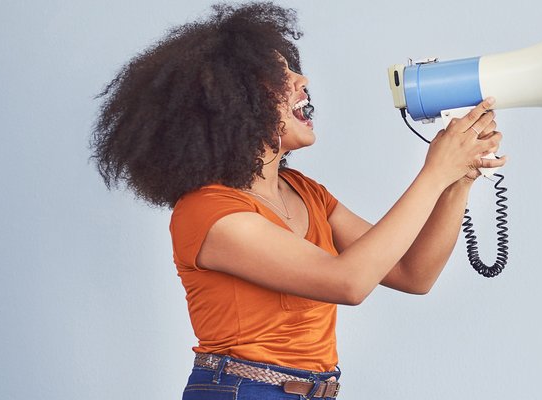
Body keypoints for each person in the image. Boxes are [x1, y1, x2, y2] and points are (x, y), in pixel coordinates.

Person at [90, 3, 506, 399]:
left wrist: (458, 179)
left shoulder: (306, 191)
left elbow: (412, 274)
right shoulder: (206, 211)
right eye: (279, 74)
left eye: (294, 69)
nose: (301, 81)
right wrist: (434, 172)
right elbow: (349, 282)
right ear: (229, 101)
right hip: (241, 392)